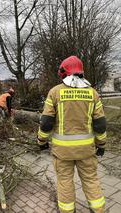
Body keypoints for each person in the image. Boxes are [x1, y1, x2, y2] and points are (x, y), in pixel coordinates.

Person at [37, 56, 106, 213]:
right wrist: (101, 145)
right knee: (91, 180)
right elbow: (100, 124)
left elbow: (46, 122)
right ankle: (99, 210)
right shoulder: (93, 93)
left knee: (65, 182)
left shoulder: (55, 92)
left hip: (62, 152)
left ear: (63, 72)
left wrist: (41, 141)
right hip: (87, 151)